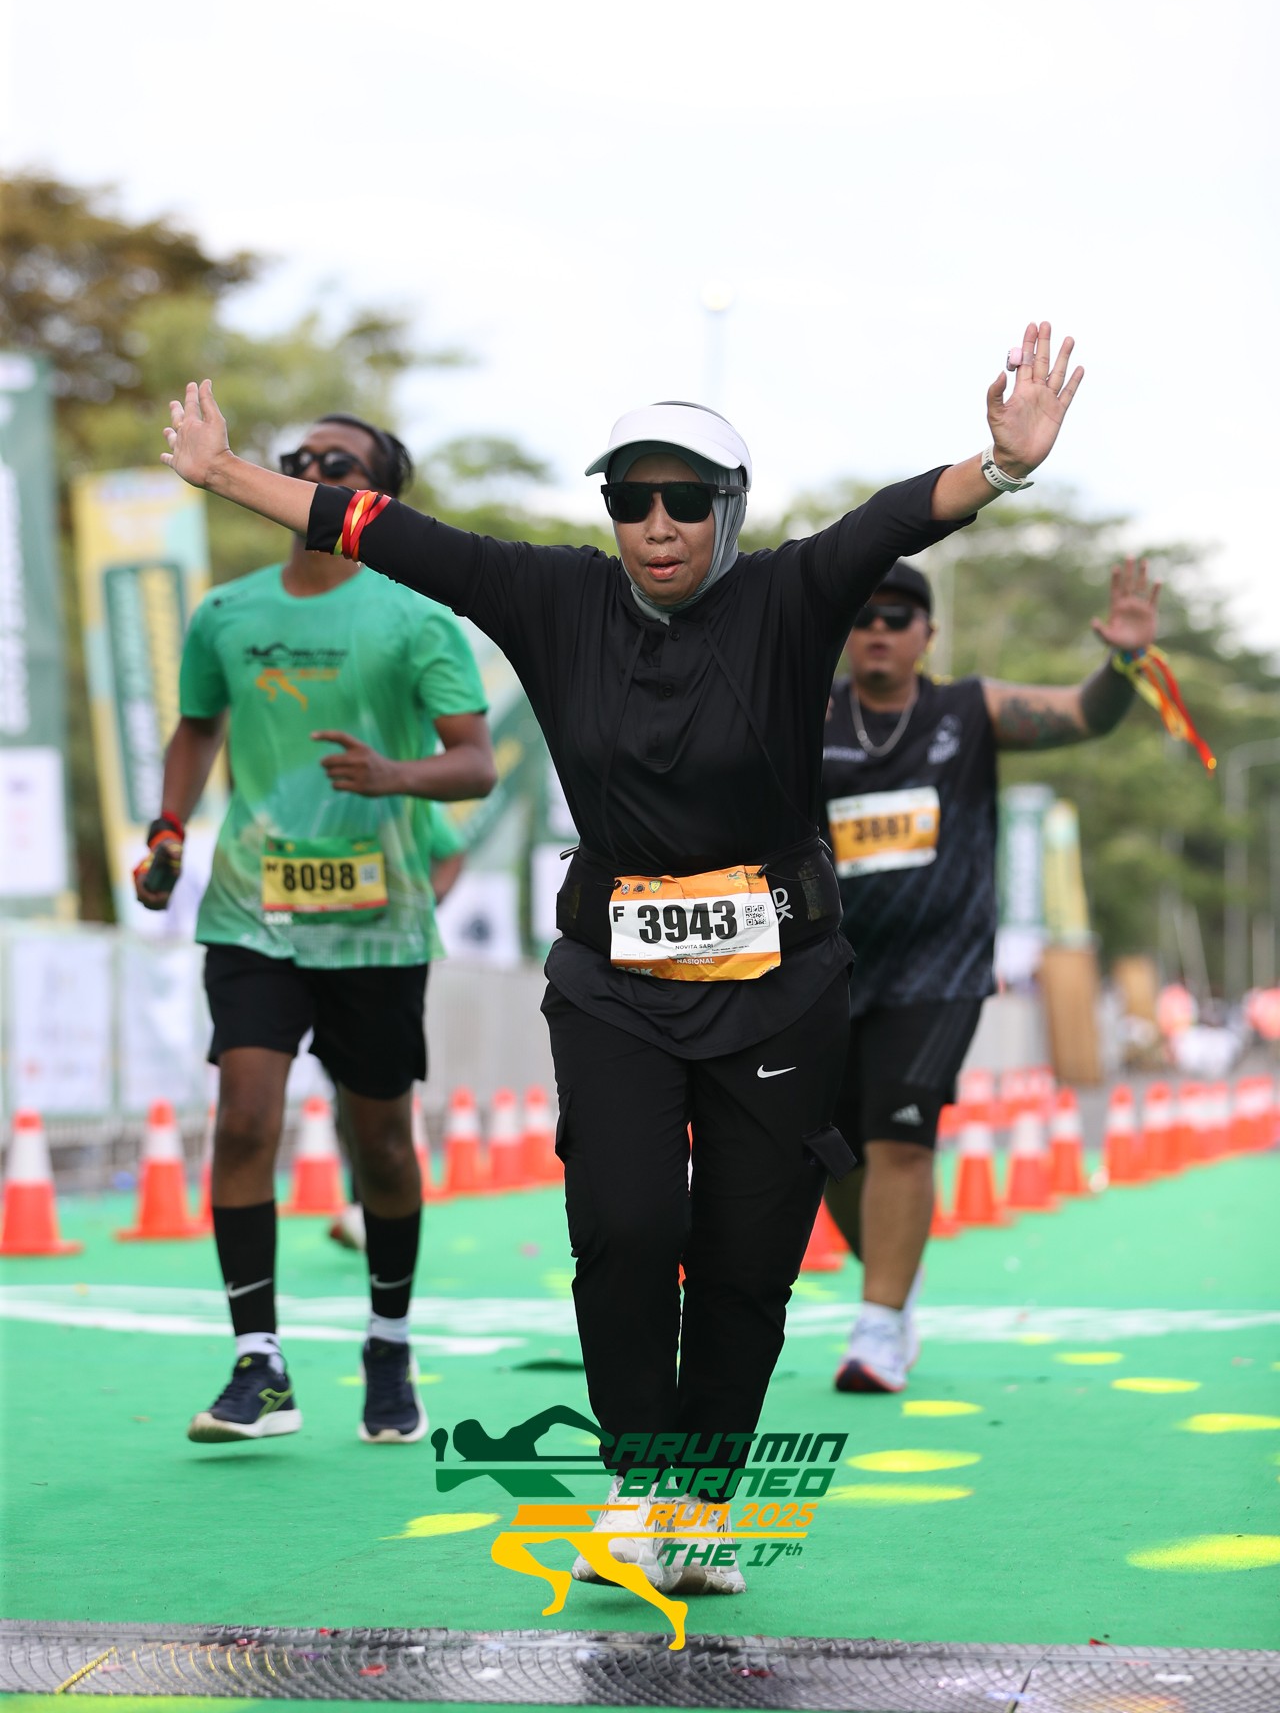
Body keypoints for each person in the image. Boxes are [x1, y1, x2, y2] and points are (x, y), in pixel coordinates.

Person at [160, 319, 1084, 1594]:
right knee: (627, 1224)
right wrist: (223, 474)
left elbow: (892, 520)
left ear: (728, 510)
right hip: (614, 984)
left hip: (780, 984)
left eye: (685, 502)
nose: (656, 525)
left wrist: (1003, 465)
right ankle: (641, 1487)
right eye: (631, 501)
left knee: (747, 1259)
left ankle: (698, 1511)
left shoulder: (790, 594)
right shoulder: (552, 597)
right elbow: (379, 529)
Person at [133, 413, 496, 1445]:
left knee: (378, 1140)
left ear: (379, 497)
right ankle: (259, 1363)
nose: (309, 473)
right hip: (253, 909)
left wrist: (394, 776)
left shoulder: (417, 618)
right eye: (297, 461)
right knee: (245, 1119)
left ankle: (388, 1342)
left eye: (339, 465)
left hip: (377, 922)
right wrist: (168, 828)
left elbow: (473, 763)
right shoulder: (225, 612)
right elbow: (198, 726)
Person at [822, 552, 1162, 1394]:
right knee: (833, 1156)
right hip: (828, 969)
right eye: (863, 617)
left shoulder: (968, 710)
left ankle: (879, 1328)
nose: (877, 630)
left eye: (896, 617)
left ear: (927, 633)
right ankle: (895, 1281)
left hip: (939, 969)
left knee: (901, 1139)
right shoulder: (806, 715)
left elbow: (1084, 713)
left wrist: (1125, 661)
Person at [329, 800, 469, 1253]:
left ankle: (376, 1211)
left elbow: (452, 850)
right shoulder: (314, 798)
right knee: (342, 1092)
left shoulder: (408, 796)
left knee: (380, 1097)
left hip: (389, 958)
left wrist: (428, 900)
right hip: (323, 953)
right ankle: (361, 1202)